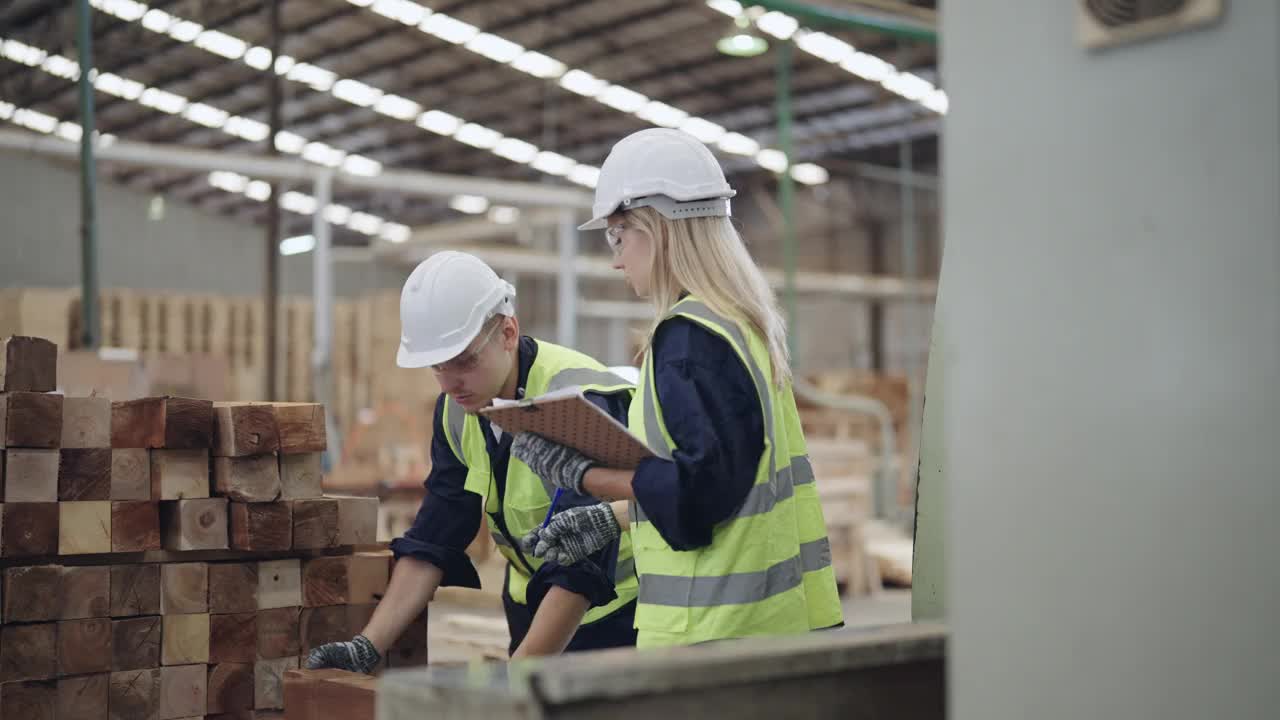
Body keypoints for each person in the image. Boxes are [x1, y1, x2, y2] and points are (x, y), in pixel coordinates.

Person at [513, 128, 844, 648]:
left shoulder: (689, 340)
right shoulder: (739, 326)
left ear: (658, 227)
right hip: (772, 626)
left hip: (712, 637)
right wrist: (617, 517)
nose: (616, 258)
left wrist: (589, 477)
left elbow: (699, 500)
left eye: (619, 234)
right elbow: (732, 481)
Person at [307, 251, 638, 672]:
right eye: (436, 366)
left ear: (508, 332)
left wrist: (516, 682)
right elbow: (437, 535)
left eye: (464, 361)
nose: (449, 383)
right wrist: (367, 647)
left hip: (617, 623)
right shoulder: (455, 412)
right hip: (531, 612)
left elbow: (583, 569)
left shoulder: (577, 402)